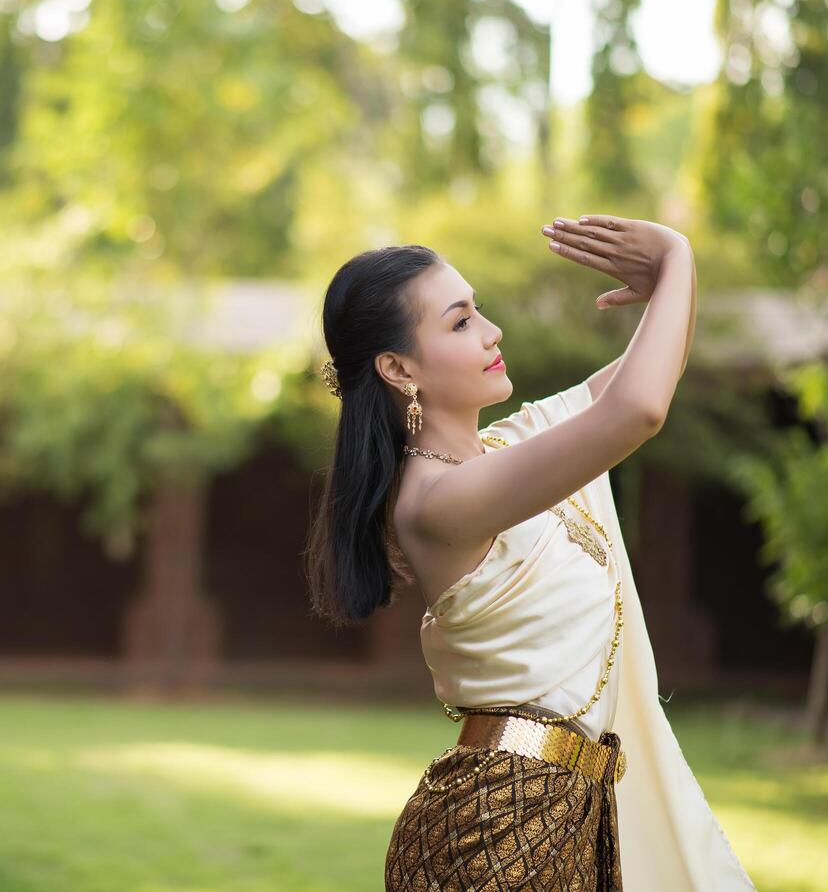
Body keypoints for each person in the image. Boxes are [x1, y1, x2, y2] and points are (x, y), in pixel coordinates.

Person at [305, 216, 757, 891]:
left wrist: (672, 283)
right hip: (495, 825)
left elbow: (644, 377)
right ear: (398, 368)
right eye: (459, 322)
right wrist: (675, 253)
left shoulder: (509, 450)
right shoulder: (434, 502)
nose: (490, 332)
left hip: (571, 811)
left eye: (477, 311)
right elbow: (637, 410)